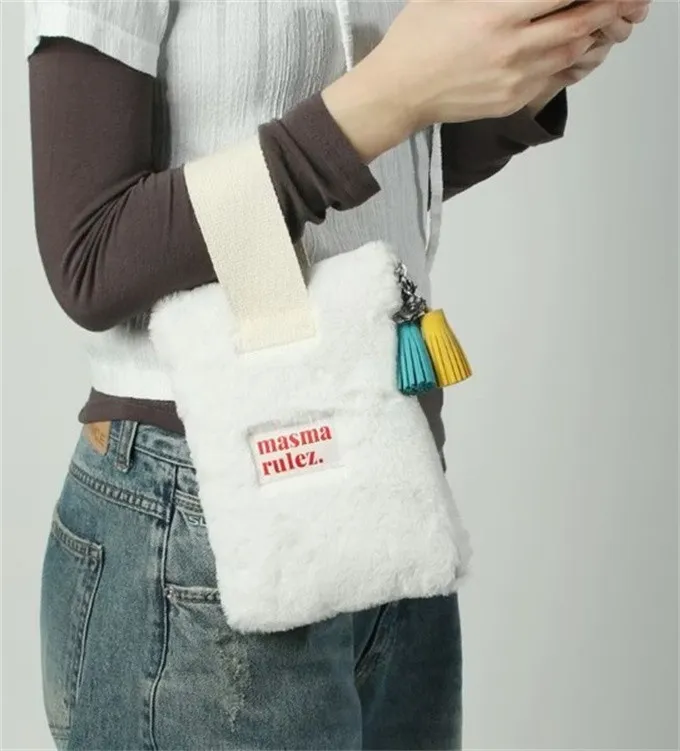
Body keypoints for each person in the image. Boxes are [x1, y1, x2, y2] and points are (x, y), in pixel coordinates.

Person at [25, 0, 649, 748]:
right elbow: (91, 257)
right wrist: (397, 91)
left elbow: (363, 189)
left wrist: (522, 69)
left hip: (390, 473)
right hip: (205, 511)